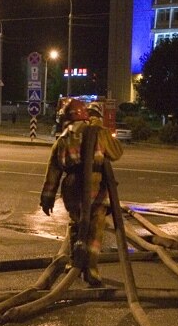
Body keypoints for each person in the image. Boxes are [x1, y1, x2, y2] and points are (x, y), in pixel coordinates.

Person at [40, 98, 124, 286]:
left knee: (76, 225)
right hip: (96, 187)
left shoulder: (62, 139)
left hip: (71, 189)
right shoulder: (97, 133)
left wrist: (47, 199)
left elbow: (53, 171)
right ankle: (90, 268)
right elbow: (117, 152)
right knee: (95, 228)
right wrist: (100, 127)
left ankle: (74, 263)